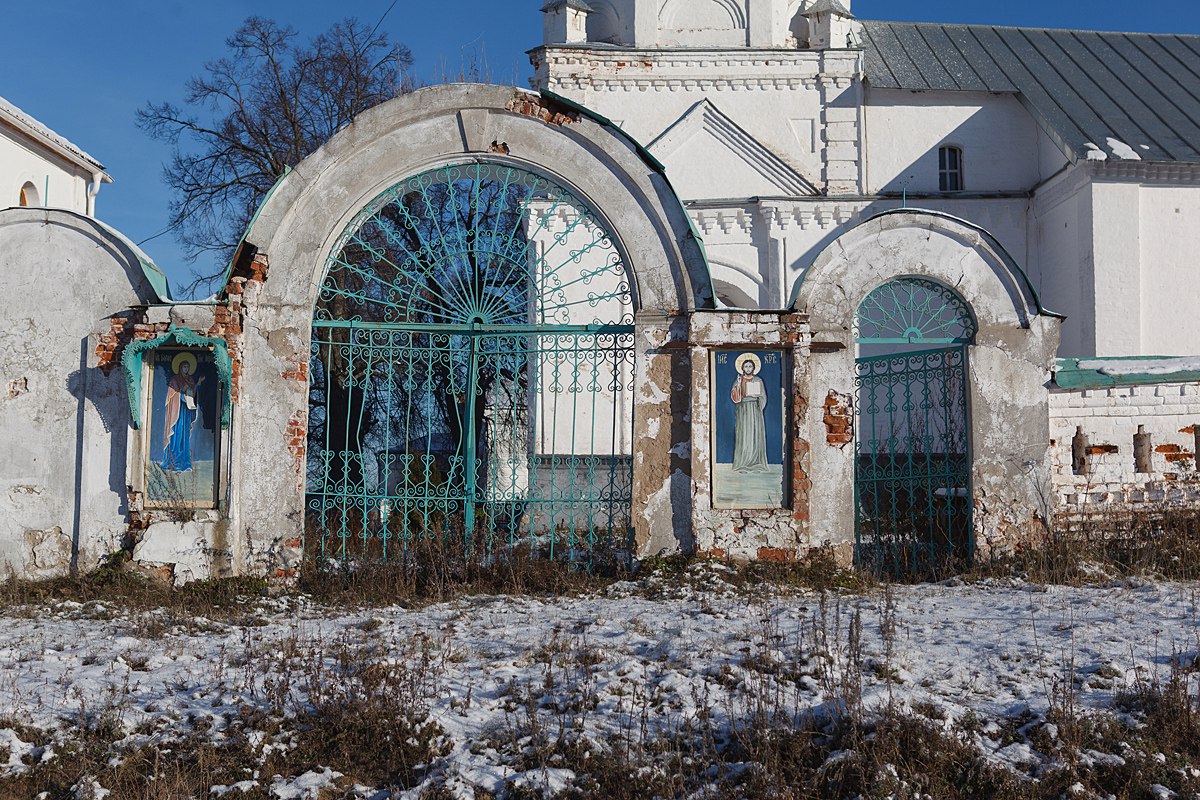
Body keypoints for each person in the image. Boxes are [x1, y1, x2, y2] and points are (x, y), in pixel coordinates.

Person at [161, 353, 204, 472]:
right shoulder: (175, 379)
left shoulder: (189, 379)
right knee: (176, 435)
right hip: (177, 412)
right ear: (180, 367)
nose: (186, 369)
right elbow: (171, 395)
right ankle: (173, 462)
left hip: (186, 412)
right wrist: (181, 392)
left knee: (184, 437)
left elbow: (193, 392)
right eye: (184, 367)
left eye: (188, 367)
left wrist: (198, 383)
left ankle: (184, 463)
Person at [731, 355, 769, 473]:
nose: (748, 368)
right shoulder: (739, 379)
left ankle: (756, 464)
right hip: (743, 409)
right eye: (746, 366)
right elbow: (734, 396)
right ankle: (742, 464)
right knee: (744, 435)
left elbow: (763, 396)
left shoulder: (758, 380)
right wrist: (738, 385)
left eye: (750, 366)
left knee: (755, 434)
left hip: (755, 409)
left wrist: (758, 401)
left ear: (753, 368)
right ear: (742, 368)